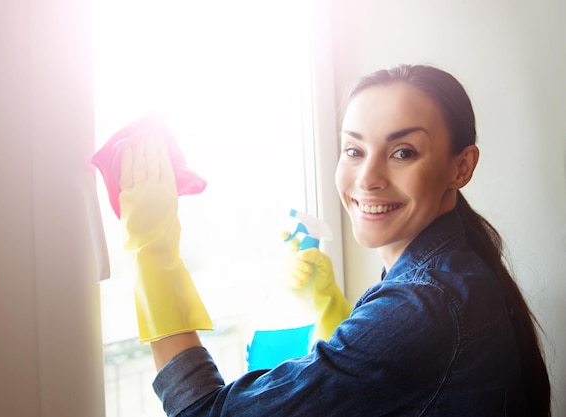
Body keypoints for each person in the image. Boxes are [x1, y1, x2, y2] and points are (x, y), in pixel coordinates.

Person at [115, 64, 551, 416]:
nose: (368, 179)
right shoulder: (454, 268)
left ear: (461, 167)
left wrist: (152, 253)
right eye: (354, 150)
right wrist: (329, 304)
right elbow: (385, 380)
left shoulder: (428, 304)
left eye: (403, 152)